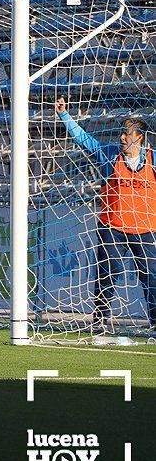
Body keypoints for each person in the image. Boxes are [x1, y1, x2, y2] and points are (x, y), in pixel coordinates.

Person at [56, 97, 156, 328]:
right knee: (108, 273)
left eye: (127, 134)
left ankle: (154, 322)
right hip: (112, 226)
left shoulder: (153, 159)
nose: (121, 137)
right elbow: (84, 140)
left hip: (145, 228)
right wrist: (64, 115)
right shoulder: (110, 156)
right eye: (121, 133)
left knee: (151, 276)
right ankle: (100, 321)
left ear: (139, 138)